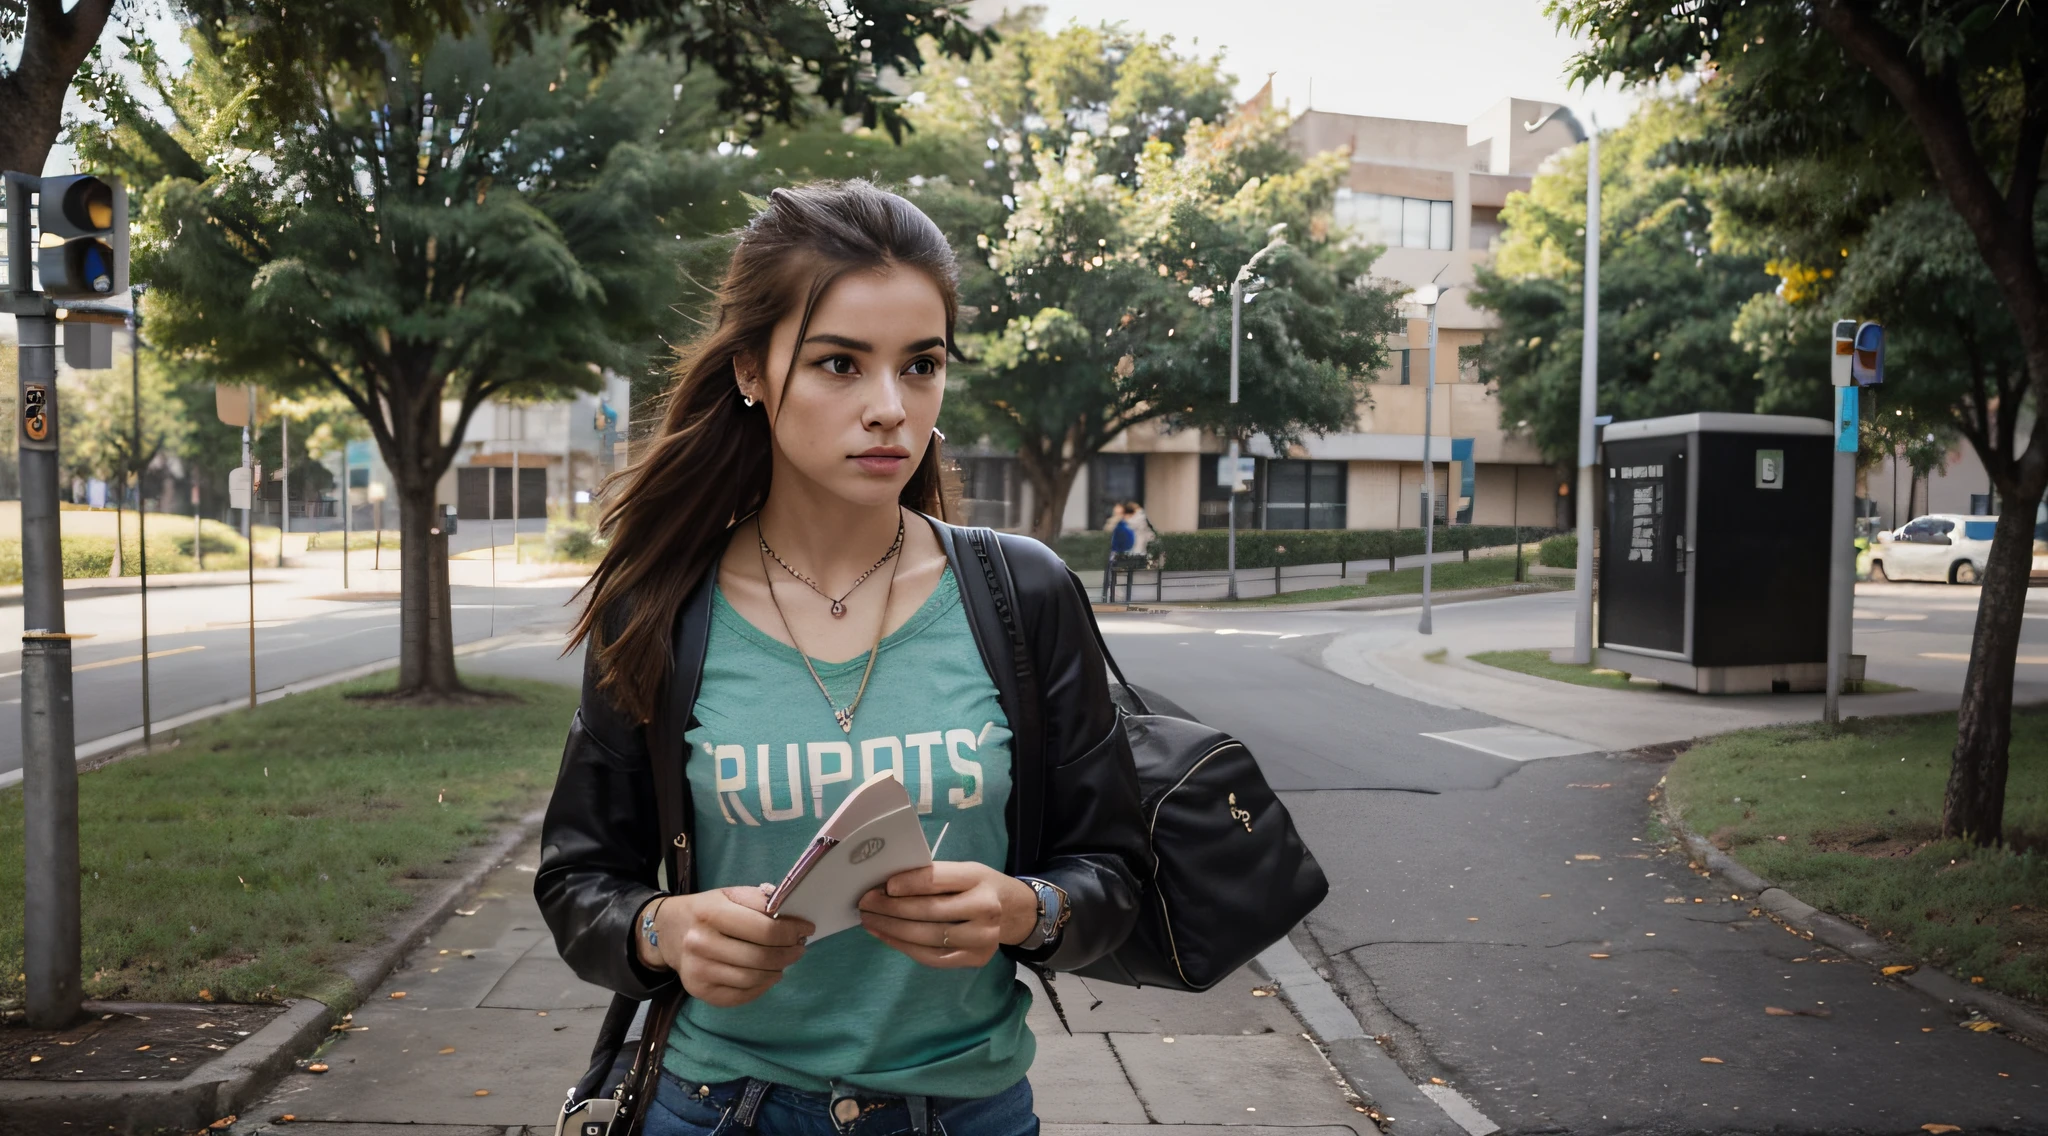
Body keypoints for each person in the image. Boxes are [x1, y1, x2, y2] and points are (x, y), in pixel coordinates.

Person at [536, 180, 1149, 1136]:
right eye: (839, 364)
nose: (888, 409)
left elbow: (1113, 870)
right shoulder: (660, 606)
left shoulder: (1021, 595)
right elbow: (579, 882)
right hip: (713, 1106)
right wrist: (668, 931)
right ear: (751, 368)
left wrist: (1025, 909)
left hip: (969, 1109)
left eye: (921, 365)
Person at [1103, 504, 1134, 601]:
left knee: (1114, 575)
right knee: (1114, 576)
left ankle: (1113, 594)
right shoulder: (1120, 525)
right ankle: (1113, 594)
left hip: (1116, 554)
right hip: (1117, 554)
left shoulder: (1121, 526)